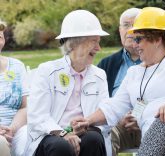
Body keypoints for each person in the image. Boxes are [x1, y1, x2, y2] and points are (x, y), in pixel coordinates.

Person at [75, 7, 165, 156]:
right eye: (133, 39)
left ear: (157, 39)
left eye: (138, 39)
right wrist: (88, 121)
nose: (134, 45)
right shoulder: (134, 73)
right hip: (161, 139)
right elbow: (114, 106)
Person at [24, 10, 111, 156]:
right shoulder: (47, 71)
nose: (98, 48)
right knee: (61, 146)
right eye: (94, 41)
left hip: (86, 132)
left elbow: (105, 117)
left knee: (93, 139)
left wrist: (86, 125)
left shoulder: (99, 75)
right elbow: (37, 117)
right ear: (76, 42)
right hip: (50, 136)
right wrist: (64, 133)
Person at [97, 8, 141, 156]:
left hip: (153, 123)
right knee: (102, 138)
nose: (130, 30)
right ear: (119, 30)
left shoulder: (160, 61)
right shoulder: (106, 64)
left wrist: (142, 117)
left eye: (135, 25)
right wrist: (116, 119)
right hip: (117, 125)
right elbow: (97, 101)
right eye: (126, 25)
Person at [0, 19, 28, 156]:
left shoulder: (17, 66)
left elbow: (25, 106)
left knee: (30, 135)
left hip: (16, 129)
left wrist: (12, 129)